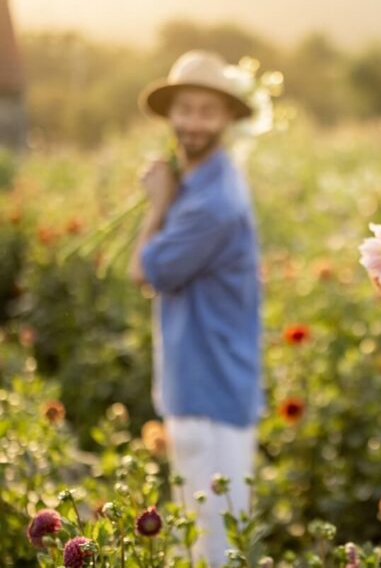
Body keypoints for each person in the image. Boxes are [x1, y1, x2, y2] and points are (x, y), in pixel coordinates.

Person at [129, 50, 264, 566]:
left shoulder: (211, 203)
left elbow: (144, 271)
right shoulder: (203, 181)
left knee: (213, 548)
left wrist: (158, 203)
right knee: (200, 538)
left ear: (228, 118)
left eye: (207, 111)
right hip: (206, 377)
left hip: (210, 392)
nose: (192, 123)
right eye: (184, 109)